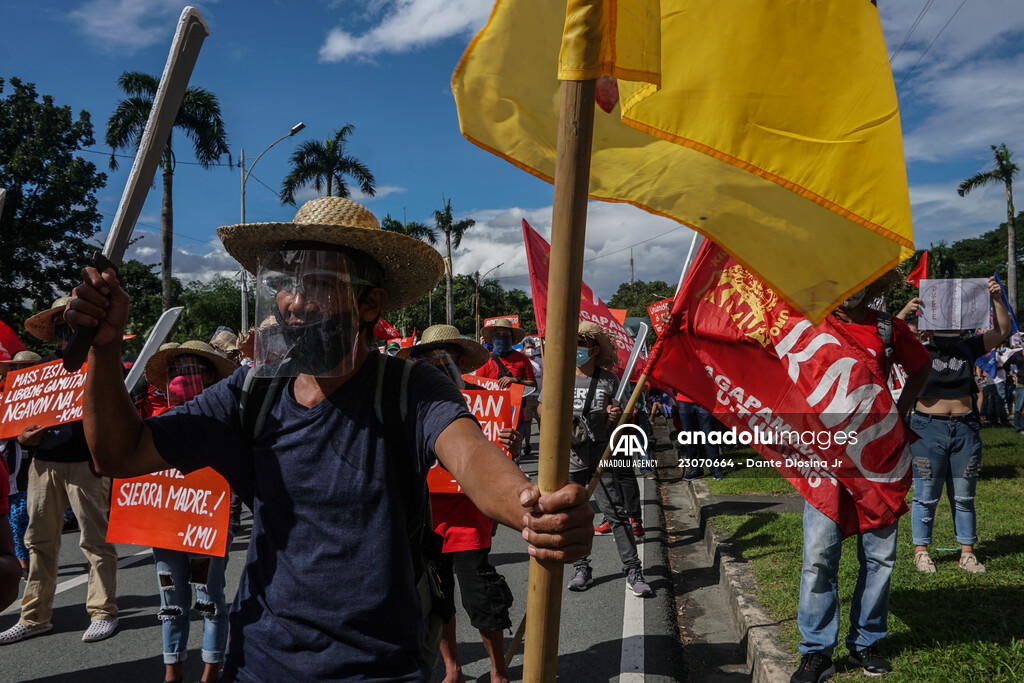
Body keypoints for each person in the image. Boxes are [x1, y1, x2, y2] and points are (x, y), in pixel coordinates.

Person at [67, 196, 593, 681]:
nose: (293, 303)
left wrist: (529, 507)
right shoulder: (249, 392)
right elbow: (118, 453)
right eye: (286, 283)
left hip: (384, 667)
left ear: (369, 303)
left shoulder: (409, 387)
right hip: (258, 662)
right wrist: (105, 349)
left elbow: (473, 457)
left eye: (319, 284)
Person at [790, 276, 931, 683]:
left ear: (869, 284)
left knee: (880, 557)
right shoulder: (806, 325)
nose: (846, 288)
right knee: (818, 556)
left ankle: (866, 642)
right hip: (824, 463)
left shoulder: (887, 328)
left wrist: (899, 415)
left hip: (878, 460)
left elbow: (921, 369)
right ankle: (817, 652)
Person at [398, 325, 518, 683]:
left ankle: (498, 670)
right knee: (440, 601)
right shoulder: (412, 403)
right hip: (428, 519)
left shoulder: (488, 399)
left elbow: (497, 460)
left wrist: (505, 439)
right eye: (424, 358)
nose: (433, 363)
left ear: (461, 360)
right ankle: (453, 669)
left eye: (442, 356)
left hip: (470, 521)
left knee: (483, 602)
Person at [0, 297, 119, 646]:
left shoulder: (102, 364)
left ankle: (103, 611)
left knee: (95, 541)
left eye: (77, 324)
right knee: (38, 542)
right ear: (55, 333)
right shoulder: (40, 373)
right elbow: (18, 425)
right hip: (43, 464)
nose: (70, 332)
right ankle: (34, 617)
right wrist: (24, 438)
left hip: (87, 463)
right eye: (64, 326)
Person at [142, 341, 238, 683]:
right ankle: (173, 673)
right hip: (164, 527)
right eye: (174, 372)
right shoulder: (156, 423)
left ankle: (210, 672)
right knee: (170, 598)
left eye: (190, 370)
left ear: (210, 375)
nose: (181, 378)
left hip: (205, 526)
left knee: (209, 598)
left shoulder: (225, 419)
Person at [909, 277, 1012, 577]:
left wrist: (996, 299)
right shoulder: (919, 349)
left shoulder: (967, 348)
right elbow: (885, 341)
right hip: (927, 429)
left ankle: (967, 553)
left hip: (965, 429)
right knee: (925, 495)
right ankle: (921, 552)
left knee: (964, 497)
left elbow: (1003, 331)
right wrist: (906, 312)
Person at [566, 322, 653, 597]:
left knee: (616, 515)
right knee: (574, 517)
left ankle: (633, 570)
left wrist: (614, 416)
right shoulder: (561, 376)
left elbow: (620, 413)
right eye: (575, 341)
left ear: (594, 349)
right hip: (569, 461)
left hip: (602, 457)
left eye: (583, 343)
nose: (578, 348)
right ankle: (581, 567)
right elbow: (542, 409)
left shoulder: (609, 380)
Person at [1, 351, 44, 581]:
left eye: (28, 366)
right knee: (16, 515)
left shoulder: (44, 394)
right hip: (10, 461)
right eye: (18, 367)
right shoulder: (3, 394)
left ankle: (33, 559)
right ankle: (22, 560)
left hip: (38, 459)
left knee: (35, 516)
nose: (21, 371)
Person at [477, 319, 536, 449]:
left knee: (513, 459)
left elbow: (533, 385)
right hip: (491, 420)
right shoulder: (485, 360)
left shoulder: (522, 359)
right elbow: (476, 388)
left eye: (505, 335)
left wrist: (516, 380)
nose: (501, 338)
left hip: (516, 419)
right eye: (498, 335)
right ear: (492, 339)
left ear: (512, 338)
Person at [519, 337, 543, 458]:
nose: (530, 350)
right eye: (528, 347)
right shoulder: (522, 362)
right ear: (523, 349)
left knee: (541, 422)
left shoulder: (541, 362)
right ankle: (527, 445)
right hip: (528, 396)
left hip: (540, 397)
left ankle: (543, 445)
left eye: (532, 347)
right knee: (527, 422)